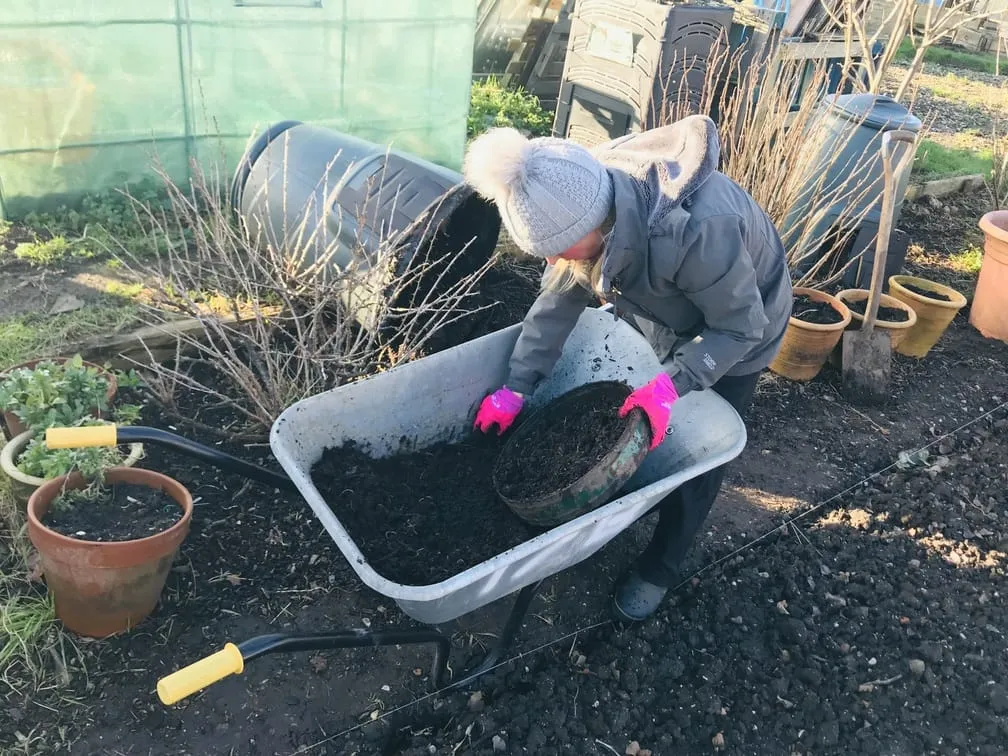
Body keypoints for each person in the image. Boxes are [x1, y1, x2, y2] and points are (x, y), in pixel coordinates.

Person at [464, 114, 792, 622]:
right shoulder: (583, 202)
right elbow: (555, 306)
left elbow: (737, 328)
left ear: (595, 228)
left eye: (556, 251)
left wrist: (672, 386)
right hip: (672, 304)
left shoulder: (701, 231)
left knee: (698, 453)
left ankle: (661, 566)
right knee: (658, 381)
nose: (551, 262)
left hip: (743, 323)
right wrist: (517, 387)